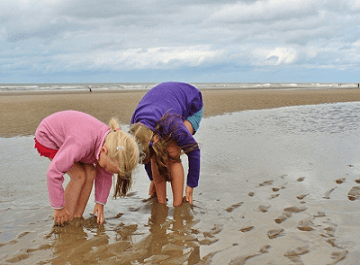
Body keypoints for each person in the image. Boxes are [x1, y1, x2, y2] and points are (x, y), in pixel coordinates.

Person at [34, 110, 139, 225]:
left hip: (75, 138)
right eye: (106, 166)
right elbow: (53, 172)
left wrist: (100, 203)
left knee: (90, 171)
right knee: (79, 175)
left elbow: (104, 176)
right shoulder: (81, 144)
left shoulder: (109, 144)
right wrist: (58, 207)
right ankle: (63, 219)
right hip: (49, 137)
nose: (106, 170)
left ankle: (77, 216)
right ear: (104, 150)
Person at [130, 82, 203, 207]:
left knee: (172, 152)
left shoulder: (172, 123)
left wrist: (191, 185)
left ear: (157, 138)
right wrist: (152, 179)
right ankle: (161, 203)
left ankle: (178, 205)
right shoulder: (136, 127)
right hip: (164, 102)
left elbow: (194, 151)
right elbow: (145, 155)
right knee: (154, 156)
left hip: (192, 103)